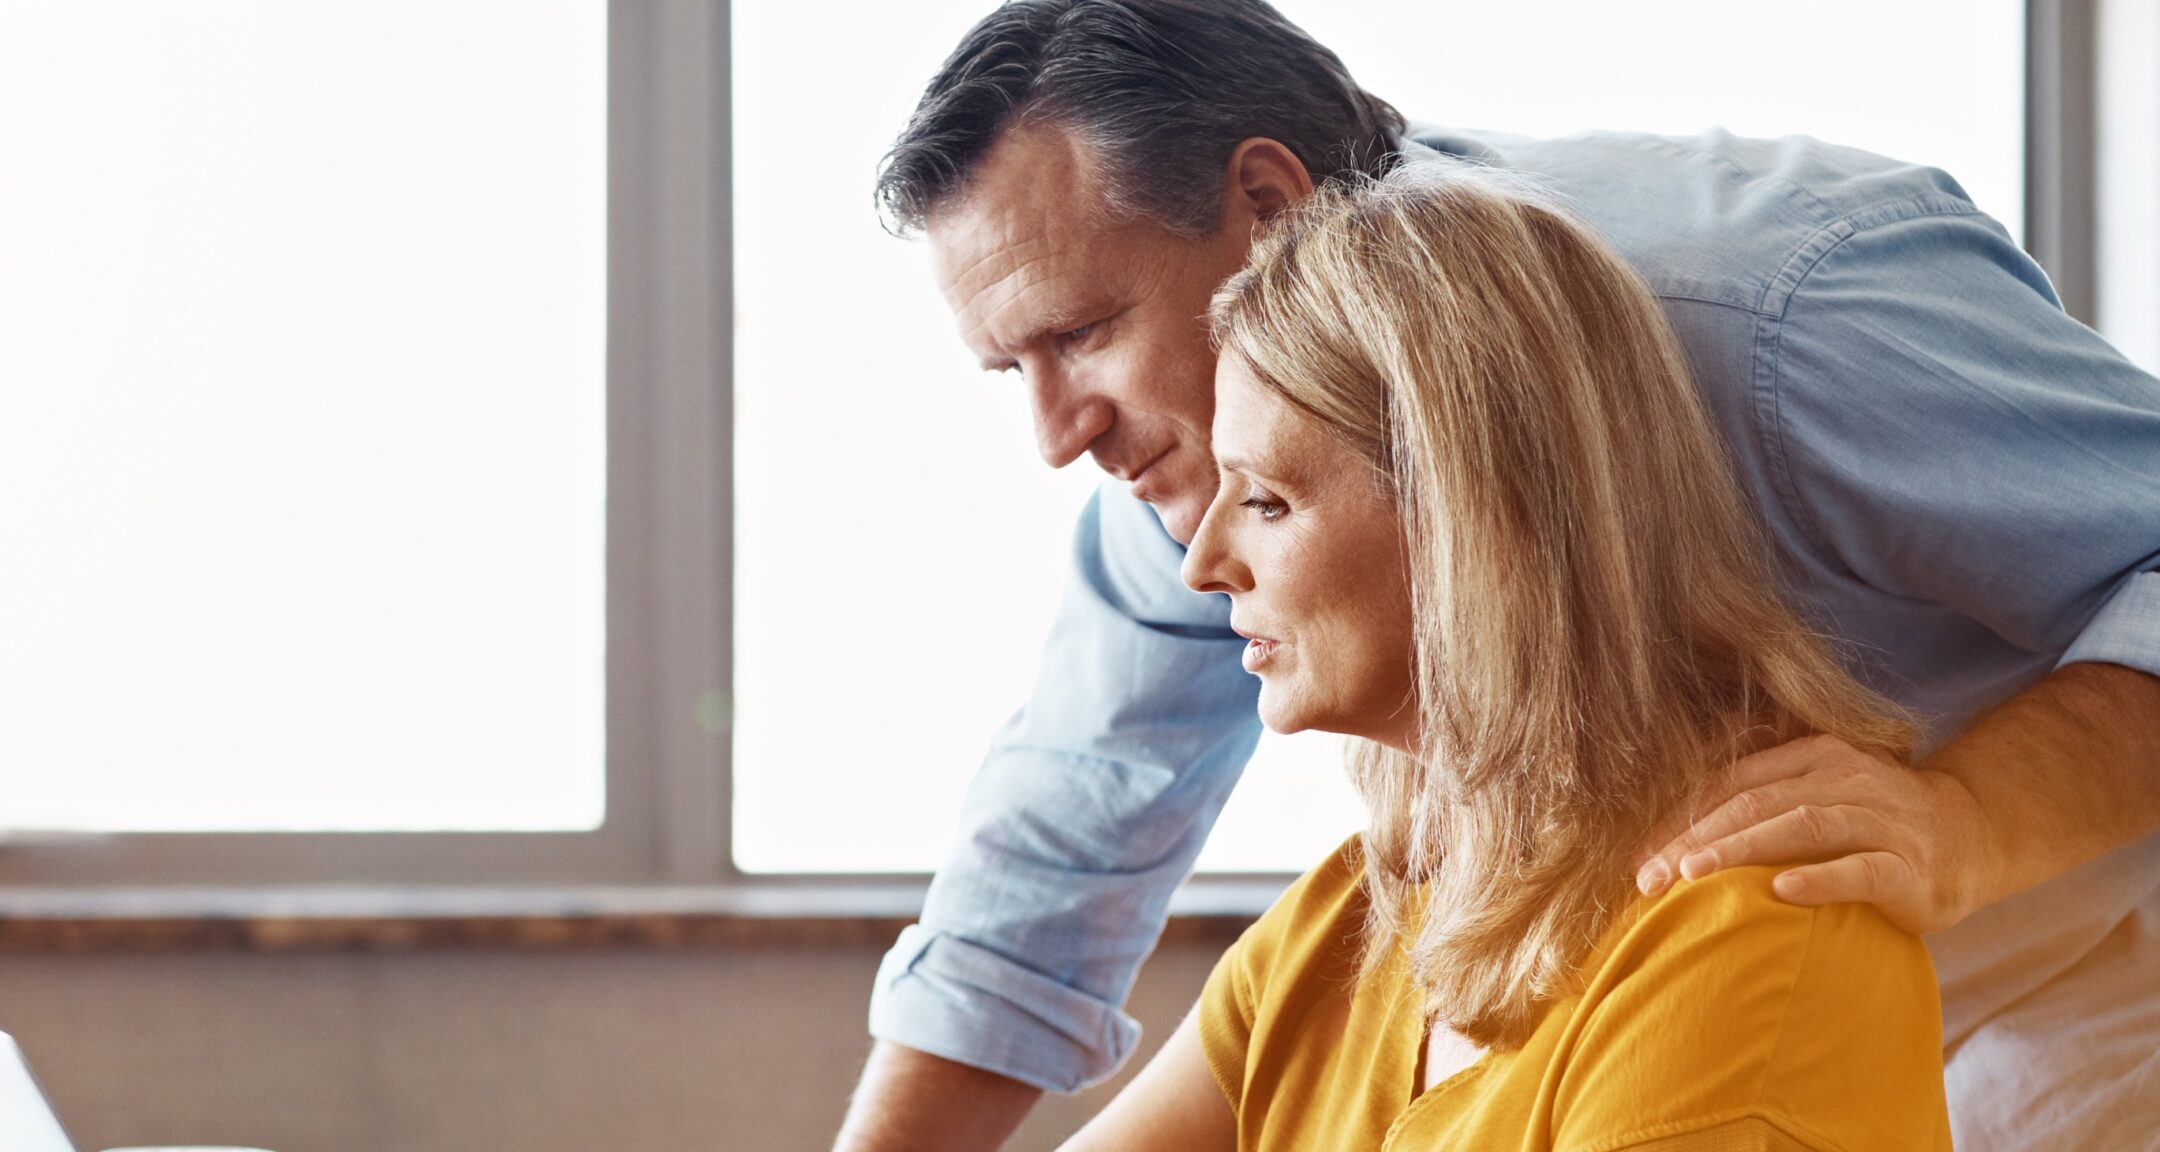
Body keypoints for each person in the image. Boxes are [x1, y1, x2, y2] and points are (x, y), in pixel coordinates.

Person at [833, 3, 2160, 1150]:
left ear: (1268, 203)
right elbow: (1053, 861)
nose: (1058, 433)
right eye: (1016, 369)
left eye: (1079, 333)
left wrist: (1965, 820)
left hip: (2092, 958)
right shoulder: (1195, 435)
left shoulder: (1772, 319)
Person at [1056, 155, 1949, 1152]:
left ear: (1477, 518)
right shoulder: (1347, 921)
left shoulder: (1754, 946)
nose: (1204, 565)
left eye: (1267, 499)